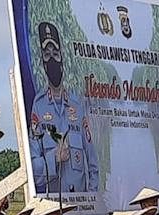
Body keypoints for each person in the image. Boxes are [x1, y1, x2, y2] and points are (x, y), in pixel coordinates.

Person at [30, 22, 99, 193]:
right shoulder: (38, 107)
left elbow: (93, 163)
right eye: (47, 55)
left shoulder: (77, 105)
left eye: (55, 54)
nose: (52, 59)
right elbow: (32, 169)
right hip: (54, 209)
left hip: (81, 207)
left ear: (62, 58)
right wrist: (53, 158)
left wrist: (91, 199)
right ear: (43, 63)